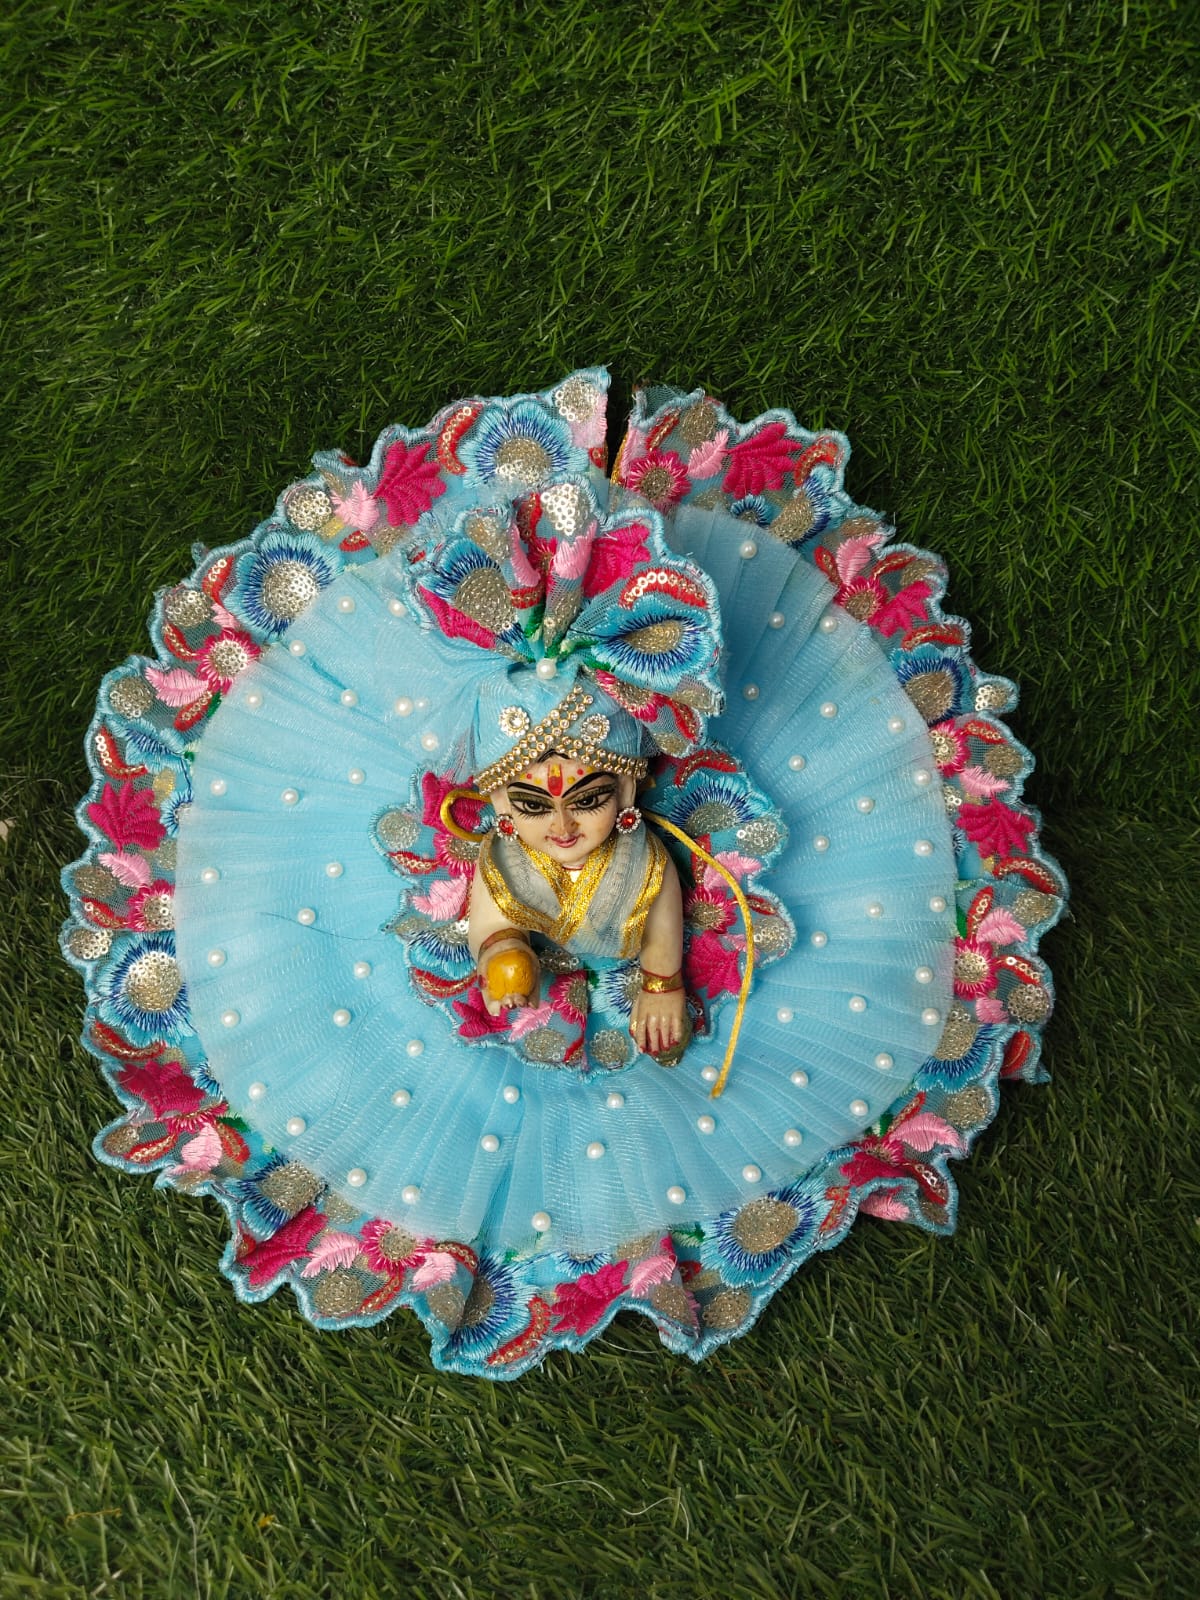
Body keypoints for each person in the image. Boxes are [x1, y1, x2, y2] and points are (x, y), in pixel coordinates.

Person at [62, 367, 1065, 1376]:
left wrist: (664, 981)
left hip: (640, 943)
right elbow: (492, 911)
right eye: (532, 806)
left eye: (588, 800)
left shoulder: (639, 853)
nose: (564, 827)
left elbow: (661, 909)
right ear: (490, 806)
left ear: (632, 791)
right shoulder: (505, 859)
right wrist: (501, 953)